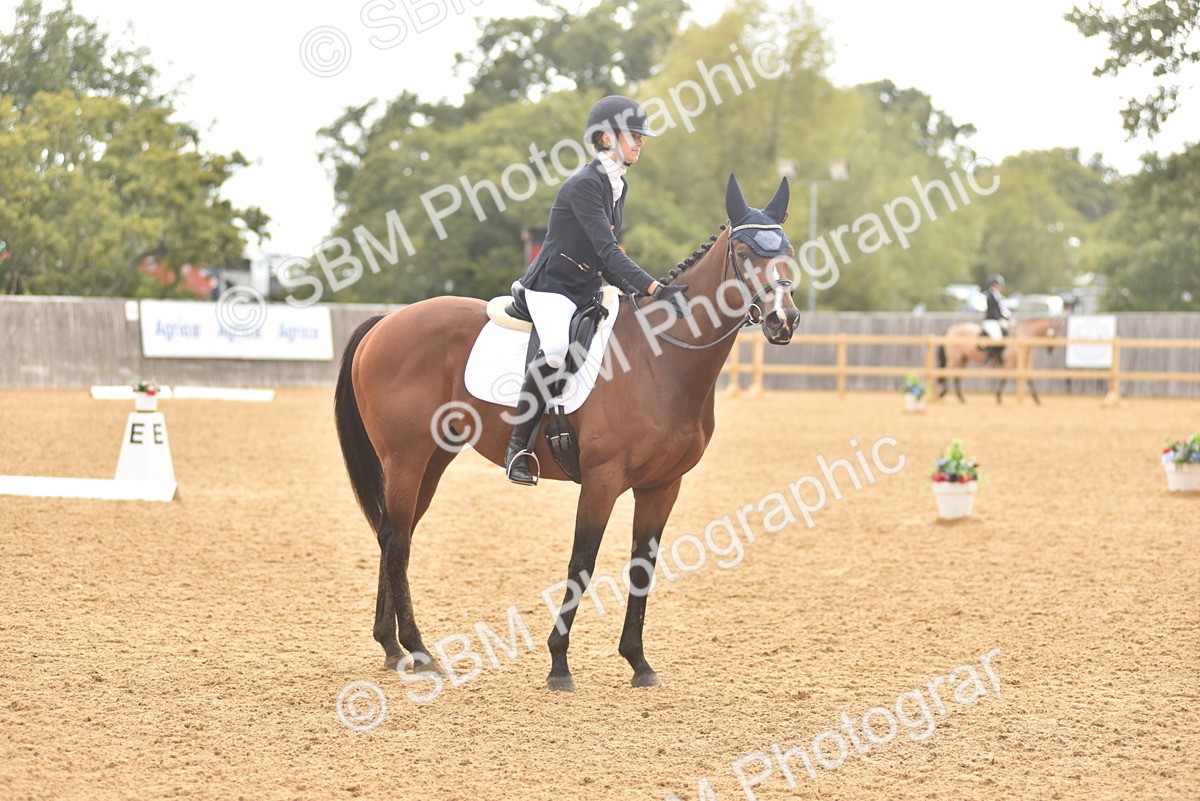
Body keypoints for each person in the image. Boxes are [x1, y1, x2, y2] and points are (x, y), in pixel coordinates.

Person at [504, 95, 688, 485]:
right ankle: (517, 446)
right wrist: (656, 288)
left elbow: (606, 262)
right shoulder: (585, 185)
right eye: (633, 135)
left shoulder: (617, 186)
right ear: (606, 139)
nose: (640, 142)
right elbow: (608, 251)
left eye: (641, 136)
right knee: (555, 352)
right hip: (552, 287)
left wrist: (642, 295)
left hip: (587, 287)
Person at [981, 274, 1011, 344]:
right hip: (991, 321)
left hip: (997, 321)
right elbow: (993, 311)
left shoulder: (998, 296)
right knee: (997, 338)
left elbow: (1001, 310)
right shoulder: (988, 295)